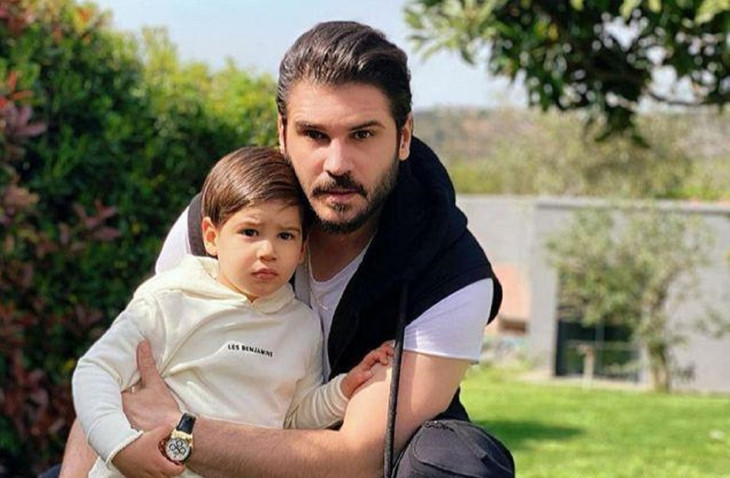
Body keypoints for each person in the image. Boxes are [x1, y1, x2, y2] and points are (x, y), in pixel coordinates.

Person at [57, 20, 514, 478]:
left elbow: (357, 456)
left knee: (452, 463)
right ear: (282, 133)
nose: (337, 164)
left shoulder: (451, 272)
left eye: (362, 135)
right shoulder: (219, 222)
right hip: (174, 463)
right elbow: (123, 373)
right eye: (314, 134)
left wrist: (182, 432)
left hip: (347, 467)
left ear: (404, 136)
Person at [70, 146, 393, 477]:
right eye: (250, 232)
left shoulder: (303, 325)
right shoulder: (171, 299)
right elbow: (96, 370)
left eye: (285, 235)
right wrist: (120, 446)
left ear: (301, 249)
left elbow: (294, 419)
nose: (267, 250)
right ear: (211, 237)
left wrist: (343, 390)